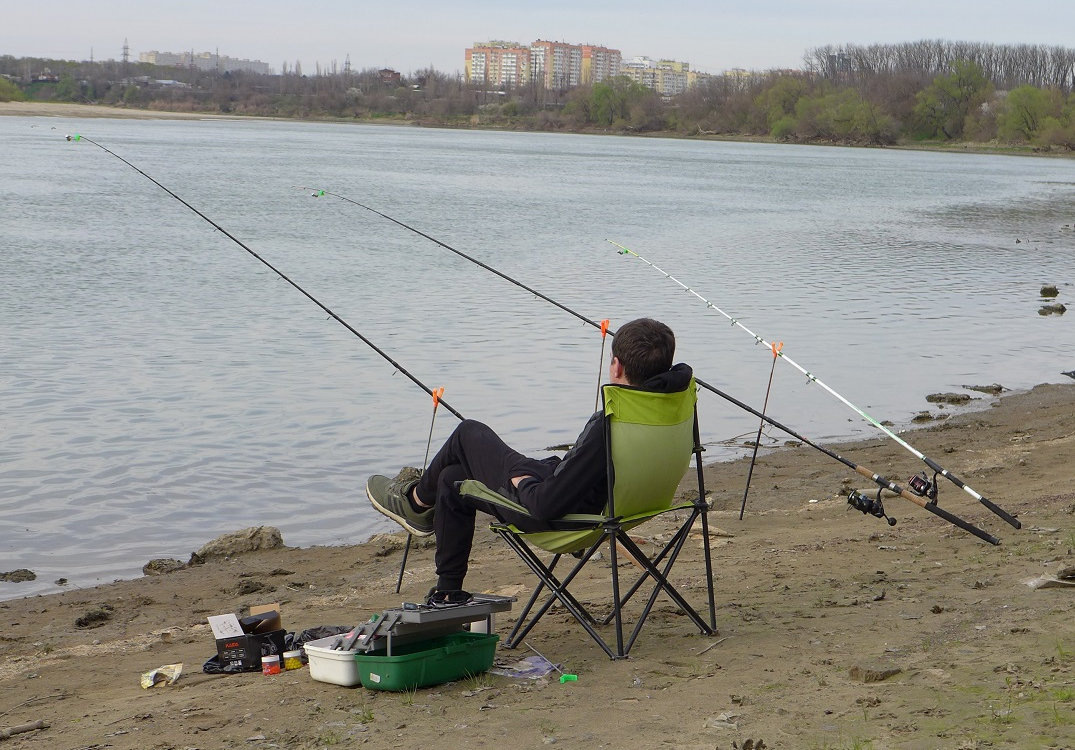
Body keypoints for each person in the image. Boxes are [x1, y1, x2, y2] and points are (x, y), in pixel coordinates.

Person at [365, 318, 692, 606]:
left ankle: (416, 501)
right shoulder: (675, 406)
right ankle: (447, 591)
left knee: (468, 433)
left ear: (617, 367)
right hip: (626, 505)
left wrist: (523, 480)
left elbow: (545, 505)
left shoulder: (611, 423)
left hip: (566, 517)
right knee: (454, 475)